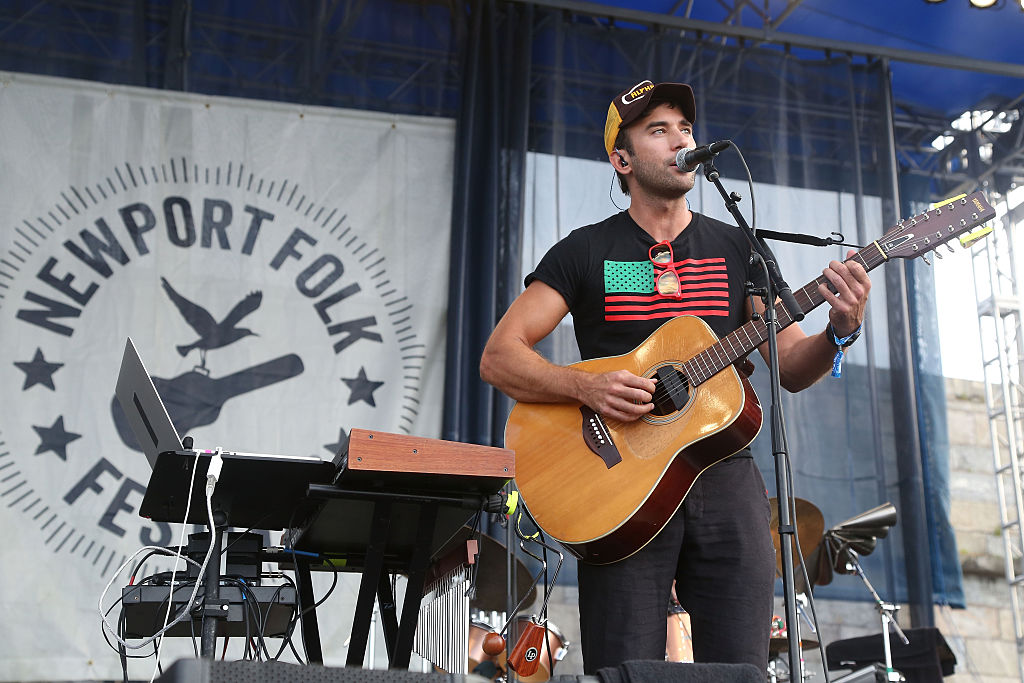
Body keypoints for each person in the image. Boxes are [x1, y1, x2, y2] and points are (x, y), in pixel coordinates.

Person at [478, 79, 871, 673]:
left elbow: (789, 365)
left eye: (684, 128)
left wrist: (840, 330)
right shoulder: (585, 252)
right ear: (623, 159)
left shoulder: (740, 247)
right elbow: (500, 355)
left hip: (724, 474)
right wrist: (585, 386)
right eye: (657, 130)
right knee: (624, 667)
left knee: (741, 667)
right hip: (616, 480)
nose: (680, 138)